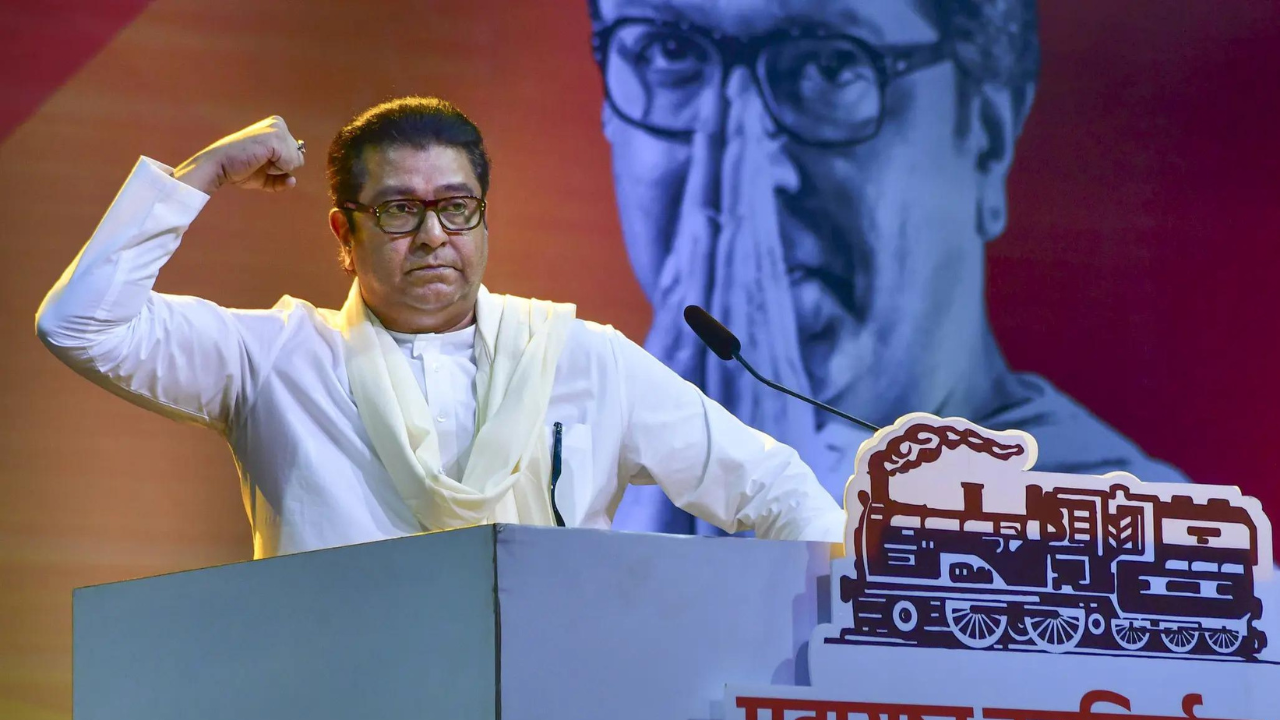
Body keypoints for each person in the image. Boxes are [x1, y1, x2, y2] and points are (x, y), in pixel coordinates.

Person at [34, 97, 844, 558]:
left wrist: (832, 634)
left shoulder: (580, 356)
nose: (432, 236)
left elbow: (775, 489)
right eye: (398, 210)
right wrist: (202, 174)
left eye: (456, 207)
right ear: (344, 233)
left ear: (484, 218)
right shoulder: (272, 358)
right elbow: (81, 325)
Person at [587, 0, 1190, 535]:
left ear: (987, 134)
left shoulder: (1131, 538)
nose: (753, 179)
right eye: (669, 52)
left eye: (830, 66)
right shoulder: (552, 485)